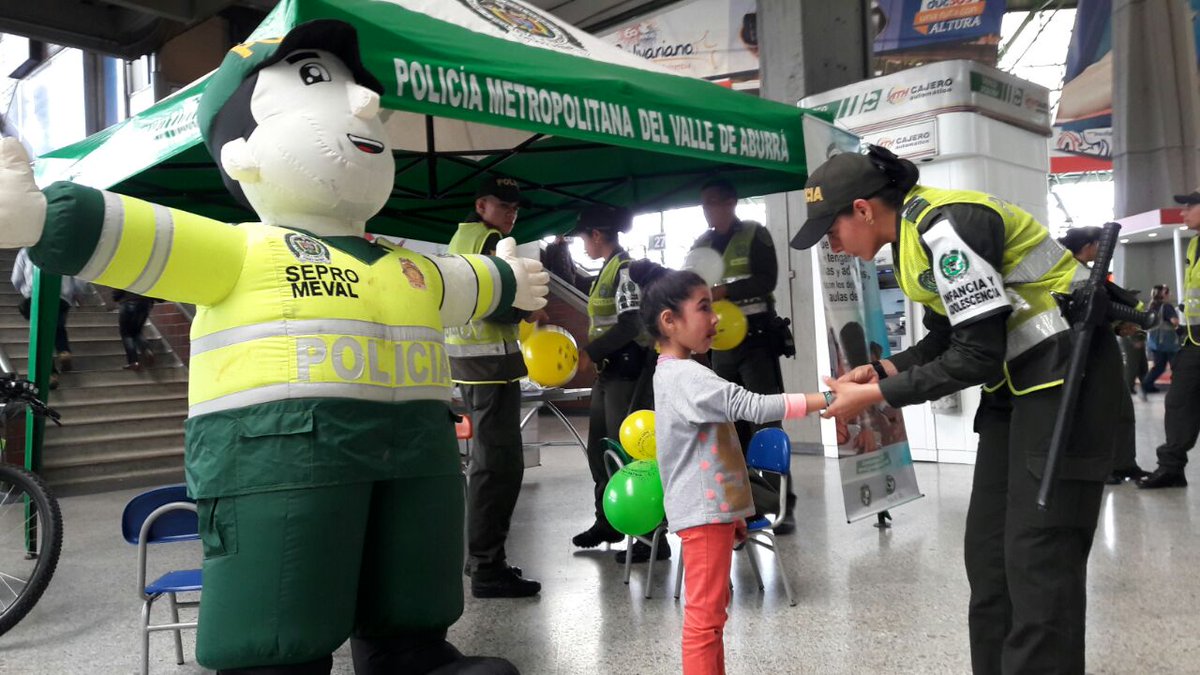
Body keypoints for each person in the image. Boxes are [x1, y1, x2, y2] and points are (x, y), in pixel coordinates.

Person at [0, 20, 549, 674]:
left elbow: (458, 282)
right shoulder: (240, 248)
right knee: (284, 607)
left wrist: (509, 279)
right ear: (241, 151)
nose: (364, 104)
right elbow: (136, 234)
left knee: (411, 578)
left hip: (413, 452)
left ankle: (413, 653)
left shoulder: (398, 262)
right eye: (317, 82)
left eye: (352, 86)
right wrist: (43, 219)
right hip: (281, 453)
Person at [793, 145, 1123, 674]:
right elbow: (948, 337)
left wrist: (876, 396)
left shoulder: (946, 227)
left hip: (1069, 378)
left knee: (1039, 560)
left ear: (862, 209)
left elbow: (976, 354)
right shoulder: (908, 246)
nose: (830, 244)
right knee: (990, 559)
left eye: (829, 230)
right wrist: (881, 372)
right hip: (1017, 390)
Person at [630, 260, 828, 675]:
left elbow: (714, 450)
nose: (716, 316)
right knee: (705, 622)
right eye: (703, 307)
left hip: (712, 513)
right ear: (669, 321)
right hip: (703, 516)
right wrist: (823, 400)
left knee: (712, 617)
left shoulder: (683, 373)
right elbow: (752, 405)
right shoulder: (685, 376)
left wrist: (735, 512)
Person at [446, 175, 544, 598]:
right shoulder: (488, 241)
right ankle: (487, 568)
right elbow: (505, 305)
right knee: (499, 467)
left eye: (515, 208)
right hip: (490, 367)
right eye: (504, 206)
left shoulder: (459, 239)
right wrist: (527, 307)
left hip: (471, 367)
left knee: (489, 464)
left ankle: (482, 561)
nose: (511, 215)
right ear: (482, 204)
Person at [690, 177, 796, 534]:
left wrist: (726, 290)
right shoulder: (701, 244)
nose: (708, 209)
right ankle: (745, 504)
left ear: (731, 201)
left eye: (714, 201)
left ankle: (782, 503)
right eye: (704, 203)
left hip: (757, 341)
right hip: (721, 345)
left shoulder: (754, 234)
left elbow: (767, 280)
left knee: (765, 421)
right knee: (731, 426)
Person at [566, 205, 664, 563]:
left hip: (626, 372)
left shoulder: (624, 270)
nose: (583, 246)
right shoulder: (604, 271)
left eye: (583, 238)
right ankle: (607, 521)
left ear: (596, 235)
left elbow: (629, 325)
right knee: (600, 452)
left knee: (631, 451)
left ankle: (652, 533)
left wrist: (590, 351)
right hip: (608, 374)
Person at [1058, 227, 1150, 484]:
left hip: (1101, 347)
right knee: (1095, 411)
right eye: (1101, 245)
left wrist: (1119, 325)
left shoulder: (1089, 275)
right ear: (1090, 245)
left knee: (1120, 407)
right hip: (1079, 350)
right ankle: (1104, 466)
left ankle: (1123, 463)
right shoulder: (1067, 272)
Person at [1139, 188, 1200, 489]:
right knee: (1178, 403)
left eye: (1190, 207)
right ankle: (1172, 467)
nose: (1183, 213)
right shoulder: (1194, 245)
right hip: (1193, 341)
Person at [11, 247, 82, 386]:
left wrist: (25, 290)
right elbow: (79, 277)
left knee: (41, 335)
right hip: (62, 296)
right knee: (58, 326)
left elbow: (16, 278)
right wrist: (77, 293)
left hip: (36, 295)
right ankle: (63, 350)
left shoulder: (27, 251)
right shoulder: (67, 250)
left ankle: (50, 374)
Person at [1141, 284, 1180, 396]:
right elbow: (1174, 321)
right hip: (1168, 343)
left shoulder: (1152, 306)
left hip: (1155, 342)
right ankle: (1177, 387)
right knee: (1176, 366)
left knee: (1159, 366)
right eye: (1168, 291)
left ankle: (1147, 385)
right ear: (1163, 295)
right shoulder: (1167, 307)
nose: (1170, 294)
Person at [112, 289, 157, 371]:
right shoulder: (147, 276)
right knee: (136, 331)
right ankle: (147, 349)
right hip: (145, 305)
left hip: (128, 304)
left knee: (126, 334)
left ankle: (134, 362)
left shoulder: (124, 276)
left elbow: (116, 295)